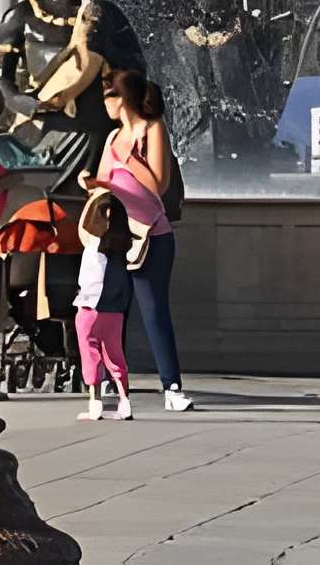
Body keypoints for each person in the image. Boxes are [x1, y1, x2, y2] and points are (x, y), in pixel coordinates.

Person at [94, 70, 191, 412]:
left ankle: (172, 387)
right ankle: (109, 381)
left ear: (124, 99)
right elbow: (107, 182)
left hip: (152, 235)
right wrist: (92, 185)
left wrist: (131, 159)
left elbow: (158, 184)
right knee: (109, 311)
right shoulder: (111, 139)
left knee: (154, 311)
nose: (105, 103)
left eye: (109, 96)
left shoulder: (153, 129)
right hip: (118, 237)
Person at [73, 191, 137, 421]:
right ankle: (125, 401)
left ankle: (95, 401)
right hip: (115, 310)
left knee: (90, 355)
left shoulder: (91, 245)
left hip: (89, 308)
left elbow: (82, 226)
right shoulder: (123, 251)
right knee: (115, 356)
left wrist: (95, 192)